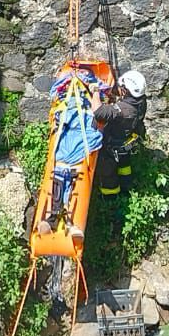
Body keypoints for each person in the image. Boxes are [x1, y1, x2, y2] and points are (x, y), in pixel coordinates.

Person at [38, 72, 105, 238]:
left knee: (60, 178)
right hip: (75, 148)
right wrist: (95, 90)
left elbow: (58, 119)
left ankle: (55, 218)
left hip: (66, 146)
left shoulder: (66, 106)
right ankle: (66, 221)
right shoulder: (86, 109)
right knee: (68, 180)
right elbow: (97, 116)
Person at [92, 69, 147, 198]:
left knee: (108, 176)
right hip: (125, 144)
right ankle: (127, 189)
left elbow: (98, 111)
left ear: (126, 90)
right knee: (124, 168)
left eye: (121, 87)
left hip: (111, 149)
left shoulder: (123, 110)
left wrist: (95, 91)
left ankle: (111, 201)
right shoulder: (140, 103)